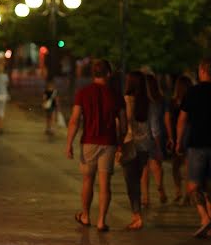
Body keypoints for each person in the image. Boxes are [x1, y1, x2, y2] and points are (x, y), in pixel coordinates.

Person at [176, 57, 211, 238]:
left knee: (193, 186)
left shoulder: (192, 92)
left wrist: (179, 141)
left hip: (196, 144)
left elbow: (182, 120)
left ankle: (204, 217)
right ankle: (210, 222)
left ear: (202, 71)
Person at [66, 59, 126, 232]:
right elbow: (123, 123)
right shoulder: (115, 95)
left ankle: (85, 215)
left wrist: (69, 143)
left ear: (93, 74)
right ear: (108, 74)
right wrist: (121, 144)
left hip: (88, 142)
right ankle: (101, 221)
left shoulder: (83, 93)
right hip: (108, 142)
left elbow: (75, 120)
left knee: (87, 181)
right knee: (105, 183)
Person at [120, 71, 161, 231]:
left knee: (132, 182)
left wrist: (119, 142)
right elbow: (155, 128)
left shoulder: (126, 101)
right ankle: (137, 215)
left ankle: (137, 216)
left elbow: (124, 124)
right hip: (145, 146)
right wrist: (156, 148)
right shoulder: (150, 103)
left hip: (130, 145)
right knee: (135, 180)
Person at [164, 75, 192, 205]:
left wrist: (170, 137)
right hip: (190, 135)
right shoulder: (191, 101)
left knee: (176, 166)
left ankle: (178, 191)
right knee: (188, 167)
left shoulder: (173, 102)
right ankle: (187, 194)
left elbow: (167, 119)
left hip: (177, 135)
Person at [141, 73, 168, 208]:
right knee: (157, 165)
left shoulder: (143, 101)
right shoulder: (160, 100)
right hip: (157, 136)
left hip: (144, 137)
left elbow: (152, 123)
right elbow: (159, 122)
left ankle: (145, 197)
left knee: (144, 168)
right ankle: (159, 187)